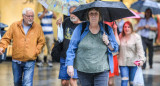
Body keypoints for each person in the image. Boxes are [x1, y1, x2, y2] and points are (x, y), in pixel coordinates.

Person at [66, 7, 118, 86]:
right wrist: (69, 65)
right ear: (88, 16)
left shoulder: (107, 29)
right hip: (84, 70)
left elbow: (115, 48)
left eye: (96, 13)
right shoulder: (81, 28)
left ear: (99, 15)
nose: (93, 16)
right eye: (91, 14)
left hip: (102, 70)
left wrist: (108, 42)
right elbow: (71, 48)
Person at [0, 8, 45, 86]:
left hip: (30, 60)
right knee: (17, 82)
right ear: (23, 16)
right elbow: (6, 38)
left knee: (27, 83)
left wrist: (36, 52)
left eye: (32, 16)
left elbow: (42, 41)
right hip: (16, 60)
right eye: (28, 16)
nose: (31, 18)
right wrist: (2, 47)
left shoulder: (37, 27)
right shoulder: (15, 25)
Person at [56, 6, 81, 86]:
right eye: (70, 13)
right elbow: (60, 38)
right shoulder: (66, 21)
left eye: (74, 13)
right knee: (64, 82)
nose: (72, 15)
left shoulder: (83, 25)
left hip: (76, 57)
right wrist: (59, 26)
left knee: (73, 81)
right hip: (64, 56)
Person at [118, 21, 146, 86]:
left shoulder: (136, 37)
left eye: (128, 27)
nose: (126, 28)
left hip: (134, 63)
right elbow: (116, 47)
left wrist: (142, 60)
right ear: (123, 28)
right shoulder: (120, 36)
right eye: (125, 27)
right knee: (124, 80)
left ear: (131, 28)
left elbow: (140, 50)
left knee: (132, 82)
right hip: (123, 62)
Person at [104, 21, 120, 86]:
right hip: (103, 57)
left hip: (112, 57)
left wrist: (115, 30)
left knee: (110, 82)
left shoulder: (113, 30)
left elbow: (118, 43)